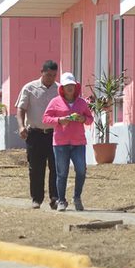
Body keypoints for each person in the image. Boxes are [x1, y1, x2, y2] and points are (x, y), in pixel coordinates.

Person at [41, 72, 93, 212]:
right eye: (66, 86)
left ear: (76, 87)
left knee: (81, 170)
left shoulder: (81, 102)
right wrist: (59, 120)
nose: (70, 88)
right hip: (60, 143)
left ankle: (77, 197)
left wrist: (82, 119)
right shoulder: (55, 102)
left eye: (72, 85)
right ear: (62, 88)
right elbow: (46, 118)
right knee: (62, 173)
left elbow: (90, 119)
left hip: (78, 143)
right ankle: (61, 200)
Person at [16, 60, 61, 209]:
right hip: (34, 134)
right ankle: (36, 198)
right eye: (48, 75)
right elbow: (21, 109)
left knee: (56, 167)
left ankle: (55, 198)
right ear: (42, 72)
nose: (51, 78)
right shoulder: (29, 88)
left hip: (54, 134)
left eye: (54, 75)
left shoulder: (59, 89)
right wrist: (21, 126)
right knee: (36, 168)